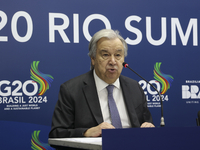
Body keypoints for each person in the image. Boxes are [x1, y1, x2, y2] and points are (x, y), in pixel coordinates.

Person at [49, 29, 154, 138]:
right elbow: (57, 134)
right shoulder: (71, 90)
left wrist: (148, 128)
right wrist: (86, 133)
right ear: (93, 59)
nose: (113, 61)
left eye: (118, 55)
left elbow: (146, 125)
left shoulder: (135, 88)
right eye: (105, 55)